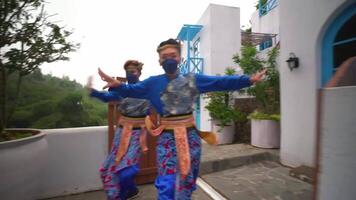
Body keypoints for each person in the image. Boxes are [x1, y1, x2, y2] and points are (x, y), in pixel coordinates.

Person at [97, 39, 267, 199]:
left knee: (185, 179)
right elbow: (132, 90)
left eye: (173, 56)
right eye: (164, 57)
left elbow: (220, 82)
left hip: (190, 137)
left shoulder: (192, 79)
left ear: (180, 58)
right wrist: (118, 85)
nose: (169, 59)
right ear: (159, 61)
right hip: (166, 139)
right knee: (167, 183)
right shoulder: (152, 83)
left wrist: (248, 80)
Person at [88, 60, 150, 200]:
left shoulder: (146, 89)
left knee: (126, 170)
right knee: (109, 168)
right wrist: (93, 92)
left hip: (137, 134)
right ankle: (131, 191)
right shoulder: (122, 90)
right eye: (127, 71)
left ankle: (121, 195)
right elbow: (107, 97)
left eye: (133, 71)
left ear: (139, 72)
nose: (130, 74)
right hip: (121, 133)